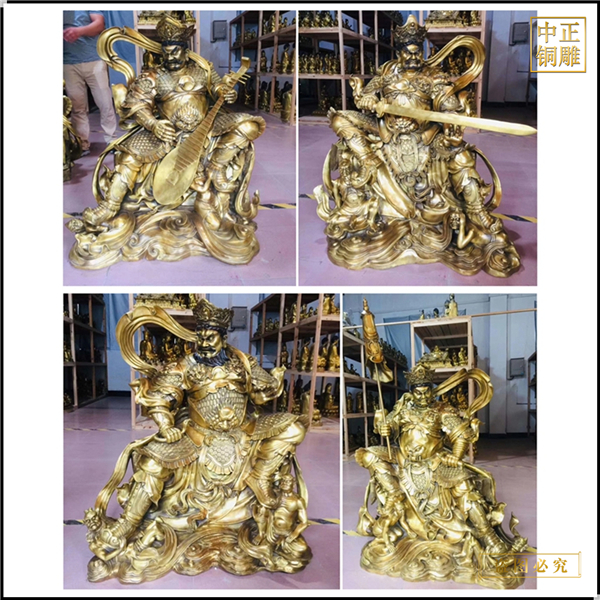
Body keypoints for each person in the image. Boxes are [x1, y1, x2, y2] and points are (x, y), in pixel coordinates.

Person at [83, 299, 311, 583]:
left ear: (223, 336)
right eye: (200, 335)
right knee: (152, 462)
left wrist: (272, 383)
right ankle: (126, 525)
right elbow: (161, 396)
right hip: (197, 435)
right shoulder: (185, 364)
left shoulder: (243, 361)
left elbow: (262, 392)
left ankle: (260, 477)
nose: (203, 342)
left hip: (245, 430)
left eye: (210, 336)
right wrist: (166, 424)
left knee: (294, 428)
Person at [314, 15, 525, 278]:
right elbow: (367, 94)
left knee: (461, 157)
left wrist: (450, 113)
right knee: (340, 118)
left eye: (417, 52)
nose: (414, 57)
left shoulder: (432, 75)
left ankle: (477, 212)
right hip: (386, 131)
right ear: (400, 52)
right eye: (408, 52)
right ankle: (368, 159)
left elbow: (447, 102)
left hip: (424, 133)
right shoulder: (387, 71)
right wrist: (366, 99)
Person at [67, 13, 266, 269]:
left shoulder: (202, 69)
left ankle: (215, 171)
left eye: (176, 51)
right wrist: (153, 124)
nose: (171, 57)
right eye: (166, 52)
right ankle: (109, 206)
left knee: (249, 125)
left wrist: (227, 92)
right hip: (166, 133)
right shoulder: (153, 75)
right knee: (129, 154)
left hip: (206, 128)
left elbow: (219, 91)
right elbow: (136, 104)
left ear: (185, 49)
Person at [355, 363, 534, 588]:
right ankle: (394, 493)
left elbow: (461, 434)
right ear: (412, 391)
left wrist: (456, 456)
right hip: (402, 459)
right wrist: (384, 428)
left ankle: (488, 536)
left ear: (432, 390)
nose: (423, 396)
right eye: (418, 392)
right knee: (367, 454)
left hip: (434, 461)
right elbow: (387, 426)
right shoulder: (403, 408)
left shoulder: (441, 410)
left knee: (463, 485)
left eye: (426, 391)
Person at [63, 10, 117, 154]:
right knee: (77, 106)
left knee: (105, 102)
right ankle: (82, 144)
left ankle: (111, 140)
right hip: (68, 62)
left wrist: (78, 31)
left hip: (94, 60)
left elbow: (99, 24)